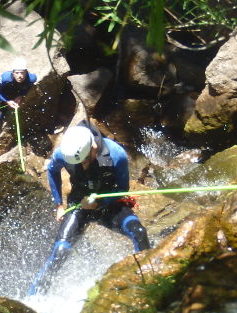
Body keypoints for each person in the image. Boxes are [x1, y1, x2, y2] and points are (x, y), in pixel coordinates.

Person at [28, 121, 150, 295]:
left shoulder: (116, 154)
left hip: (109, 204)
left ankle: (148, 281)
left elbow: (123, 189)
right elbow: (52, 171)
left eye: (86, 160)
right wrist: (59, 205)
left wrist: (100, 203)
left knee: (138, 231)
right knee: (61, 249)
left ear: (93, 148)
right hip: (79, 204)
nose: (84, 166)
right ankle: (34, 297)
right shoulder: (63, 153)